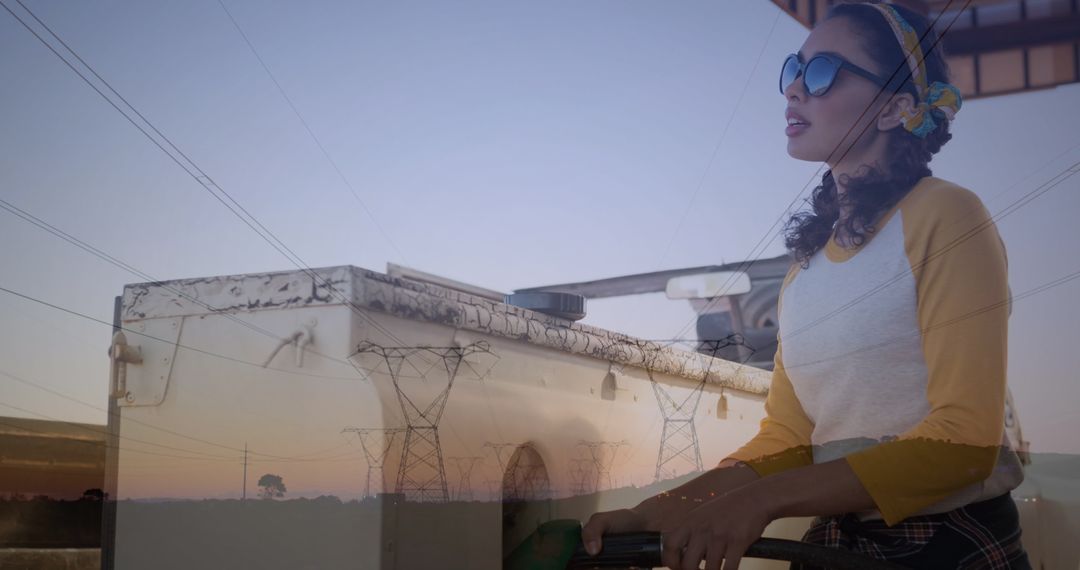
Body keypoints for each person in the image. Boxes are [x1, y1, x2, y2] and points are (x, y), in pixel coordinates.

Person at [580, 2, 1031, 569]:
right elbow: (788, 439)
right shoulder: (806, 270)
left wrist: (761, 502)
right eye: (794, 69)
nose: (795, 89)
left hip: (948, 544)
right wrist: (661, 510)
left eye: (822, 73)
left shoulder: (947, 215)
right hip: (840, 540)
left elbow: (964, 444)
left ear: (895, 108)